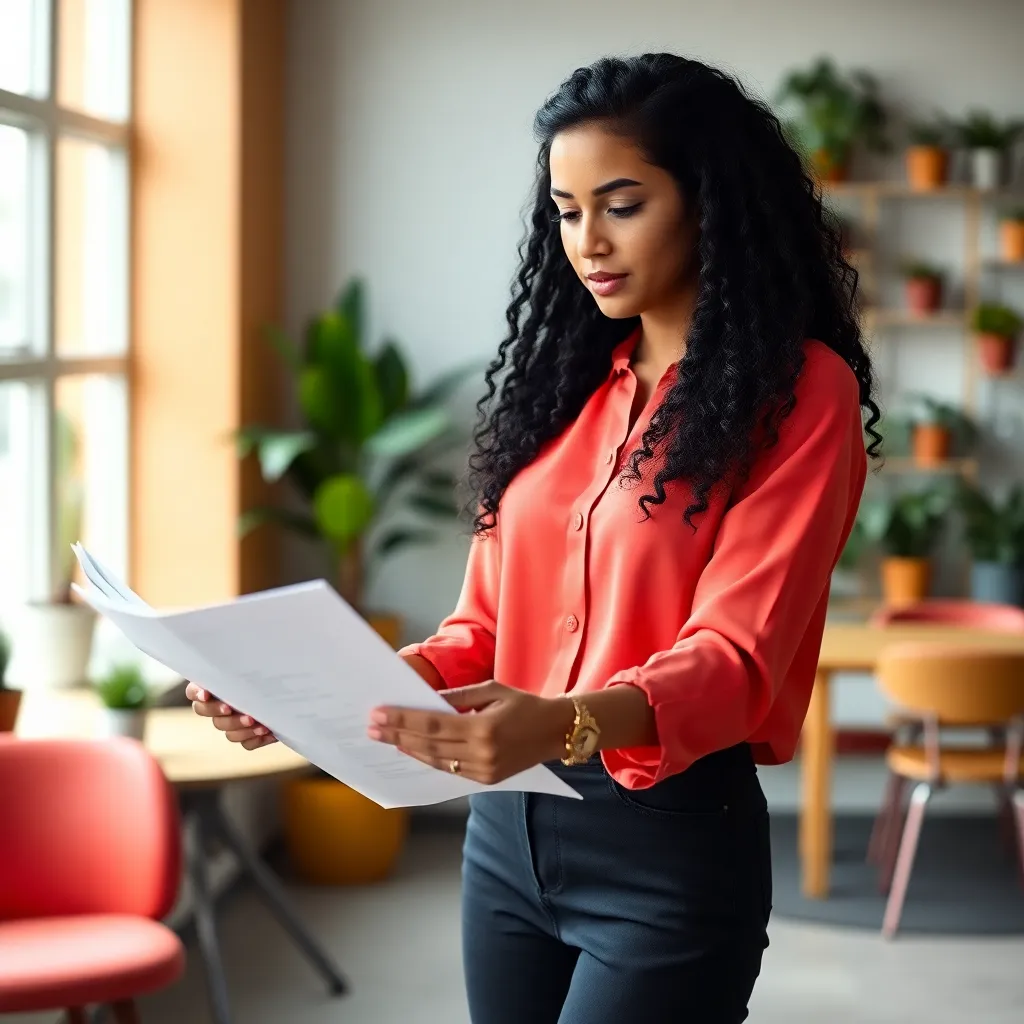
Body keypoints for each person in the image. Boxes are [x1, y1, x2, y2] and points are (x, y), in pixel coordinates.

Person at [188, 52, 879, 1023]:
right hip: (505, 841)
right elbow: (478, 633)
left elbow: (735, 661)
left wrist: (563, 722)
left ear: (709, 203)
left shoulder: (801, 395)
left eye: (621, 203)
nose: (586, 240)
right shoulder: (559, 389)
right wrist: (299, 694)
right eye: (564, 208)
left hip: (667, 845)